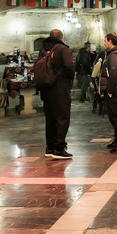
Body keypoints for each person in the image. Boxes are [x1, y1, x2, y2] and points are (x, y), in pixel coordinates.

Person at [40, 29, 75, 160]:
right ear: (62, 37)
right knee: (62, 117)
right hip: (60, 88)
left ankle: (49, 147)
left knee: (50, 119)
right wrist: (70, 77)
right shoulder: (62, 49)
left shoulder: (43, 50)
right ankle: (59, 148)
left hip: (46, 88)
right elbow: (69, 66)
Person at [99, 33, 117, 153]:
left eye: (105, 40)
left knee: (116, 117)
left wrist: (110, 90)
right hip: (115, 90)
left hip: (115, 91)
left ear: (111, 41)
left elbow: (113, 72)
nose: (104, 43)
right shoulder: (112, 54)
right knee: (113, 116)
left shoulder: (114, 55)